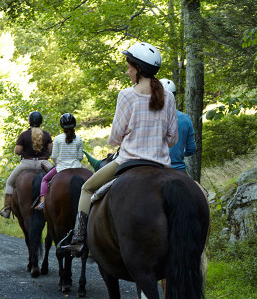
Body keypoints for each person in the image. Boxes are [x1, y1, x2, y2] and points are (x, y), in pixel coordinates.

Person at [62, 41, 178, 255]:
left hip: (127, 162)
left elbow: (114, 138)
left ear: (139, 69)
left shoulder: (127, 95)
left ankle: (78, 239)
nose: (127, 71)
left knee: (87, 188)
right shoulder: (168, 97)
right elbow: (172, 139)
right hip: (162, 165)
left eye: (129, 67)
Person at [0, 111, 53, 218]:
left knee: (10, 183)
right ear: (40, 121)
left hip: (26, 164)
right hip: (43, 163)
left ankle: (7, 209)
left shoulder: (23, 135)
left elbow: (17, 151)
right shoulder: (46, 135)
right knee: (56, 179)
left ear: (29, 122)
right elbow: (51, 151)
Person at [34, 113, 86, 211]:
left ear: (62, 125)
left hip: (61, 168)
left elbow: (53, 156)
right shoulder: (79, 139)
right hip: (77, 167)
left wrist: (57, 165)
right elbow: (80, 157)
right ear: (74, 125)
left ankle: (42, 202)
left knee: (45, 180)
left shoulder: (58, 138)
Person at [159, 78, 196, 174]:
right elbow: (191, 149)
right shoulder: (185, 118)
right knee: (195, 188)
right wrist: (178, 152)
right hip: (178, 170)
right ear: (174, 96)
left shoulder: (148, 116)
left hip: (156, 169)